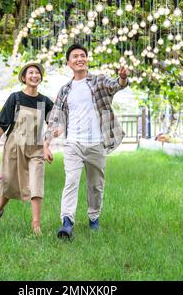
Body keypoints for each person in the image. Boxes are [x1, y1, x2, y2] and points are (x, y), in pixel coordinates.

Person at [43, 43, 130, 239]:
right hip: (73, 143)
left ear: (87, 59)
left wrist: (123, 77)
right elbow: (55, 117)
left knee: (96, 185)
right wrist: (46, 143)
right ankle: (67, 222)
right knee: (71, 181)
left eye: (83, 55)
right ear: (68, 63)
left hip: (96, 143)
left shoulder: (98, 81)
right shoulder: (65, 90)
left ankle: (94, 219)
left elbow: (116, 85)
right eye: (75, 56)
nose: (80, 59)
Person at [0, 62, 54, 236]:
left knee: (36, 183)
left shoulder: (44, 102)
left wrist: (47, 146)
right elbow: (2, 123)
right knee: (9, 183)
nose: (34, 76)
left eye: (37, 73)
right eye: (30, 73)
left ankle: (36, 225)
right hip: (14, 147)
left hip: (36, 149)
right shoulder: (15, 98)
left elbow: (54, 124)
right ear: (24, 77)